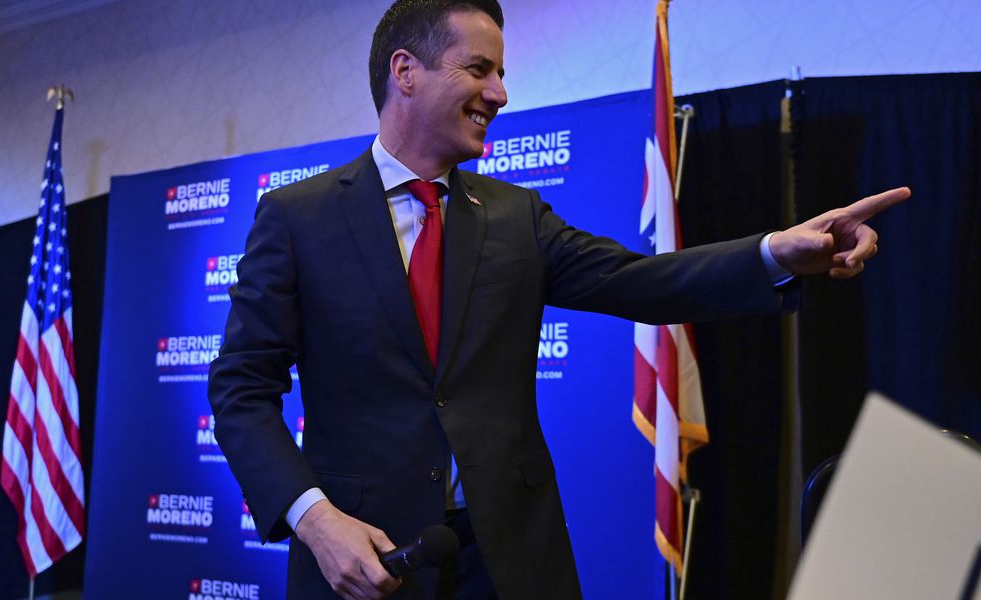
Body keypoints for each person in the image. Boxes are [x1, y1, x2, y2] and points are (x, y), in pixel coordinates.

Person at [207, 1, 909, 599]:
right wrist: (314, 519)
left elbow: (640, 281)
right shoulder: (297, 218)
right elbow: (241, 389)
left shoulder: (514, 217)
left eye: (502, 73)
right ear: (405, 72)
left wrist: (774, 254)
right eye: (480, 69)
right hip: (364, 561)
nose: (501, 93)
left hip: (514, 562)